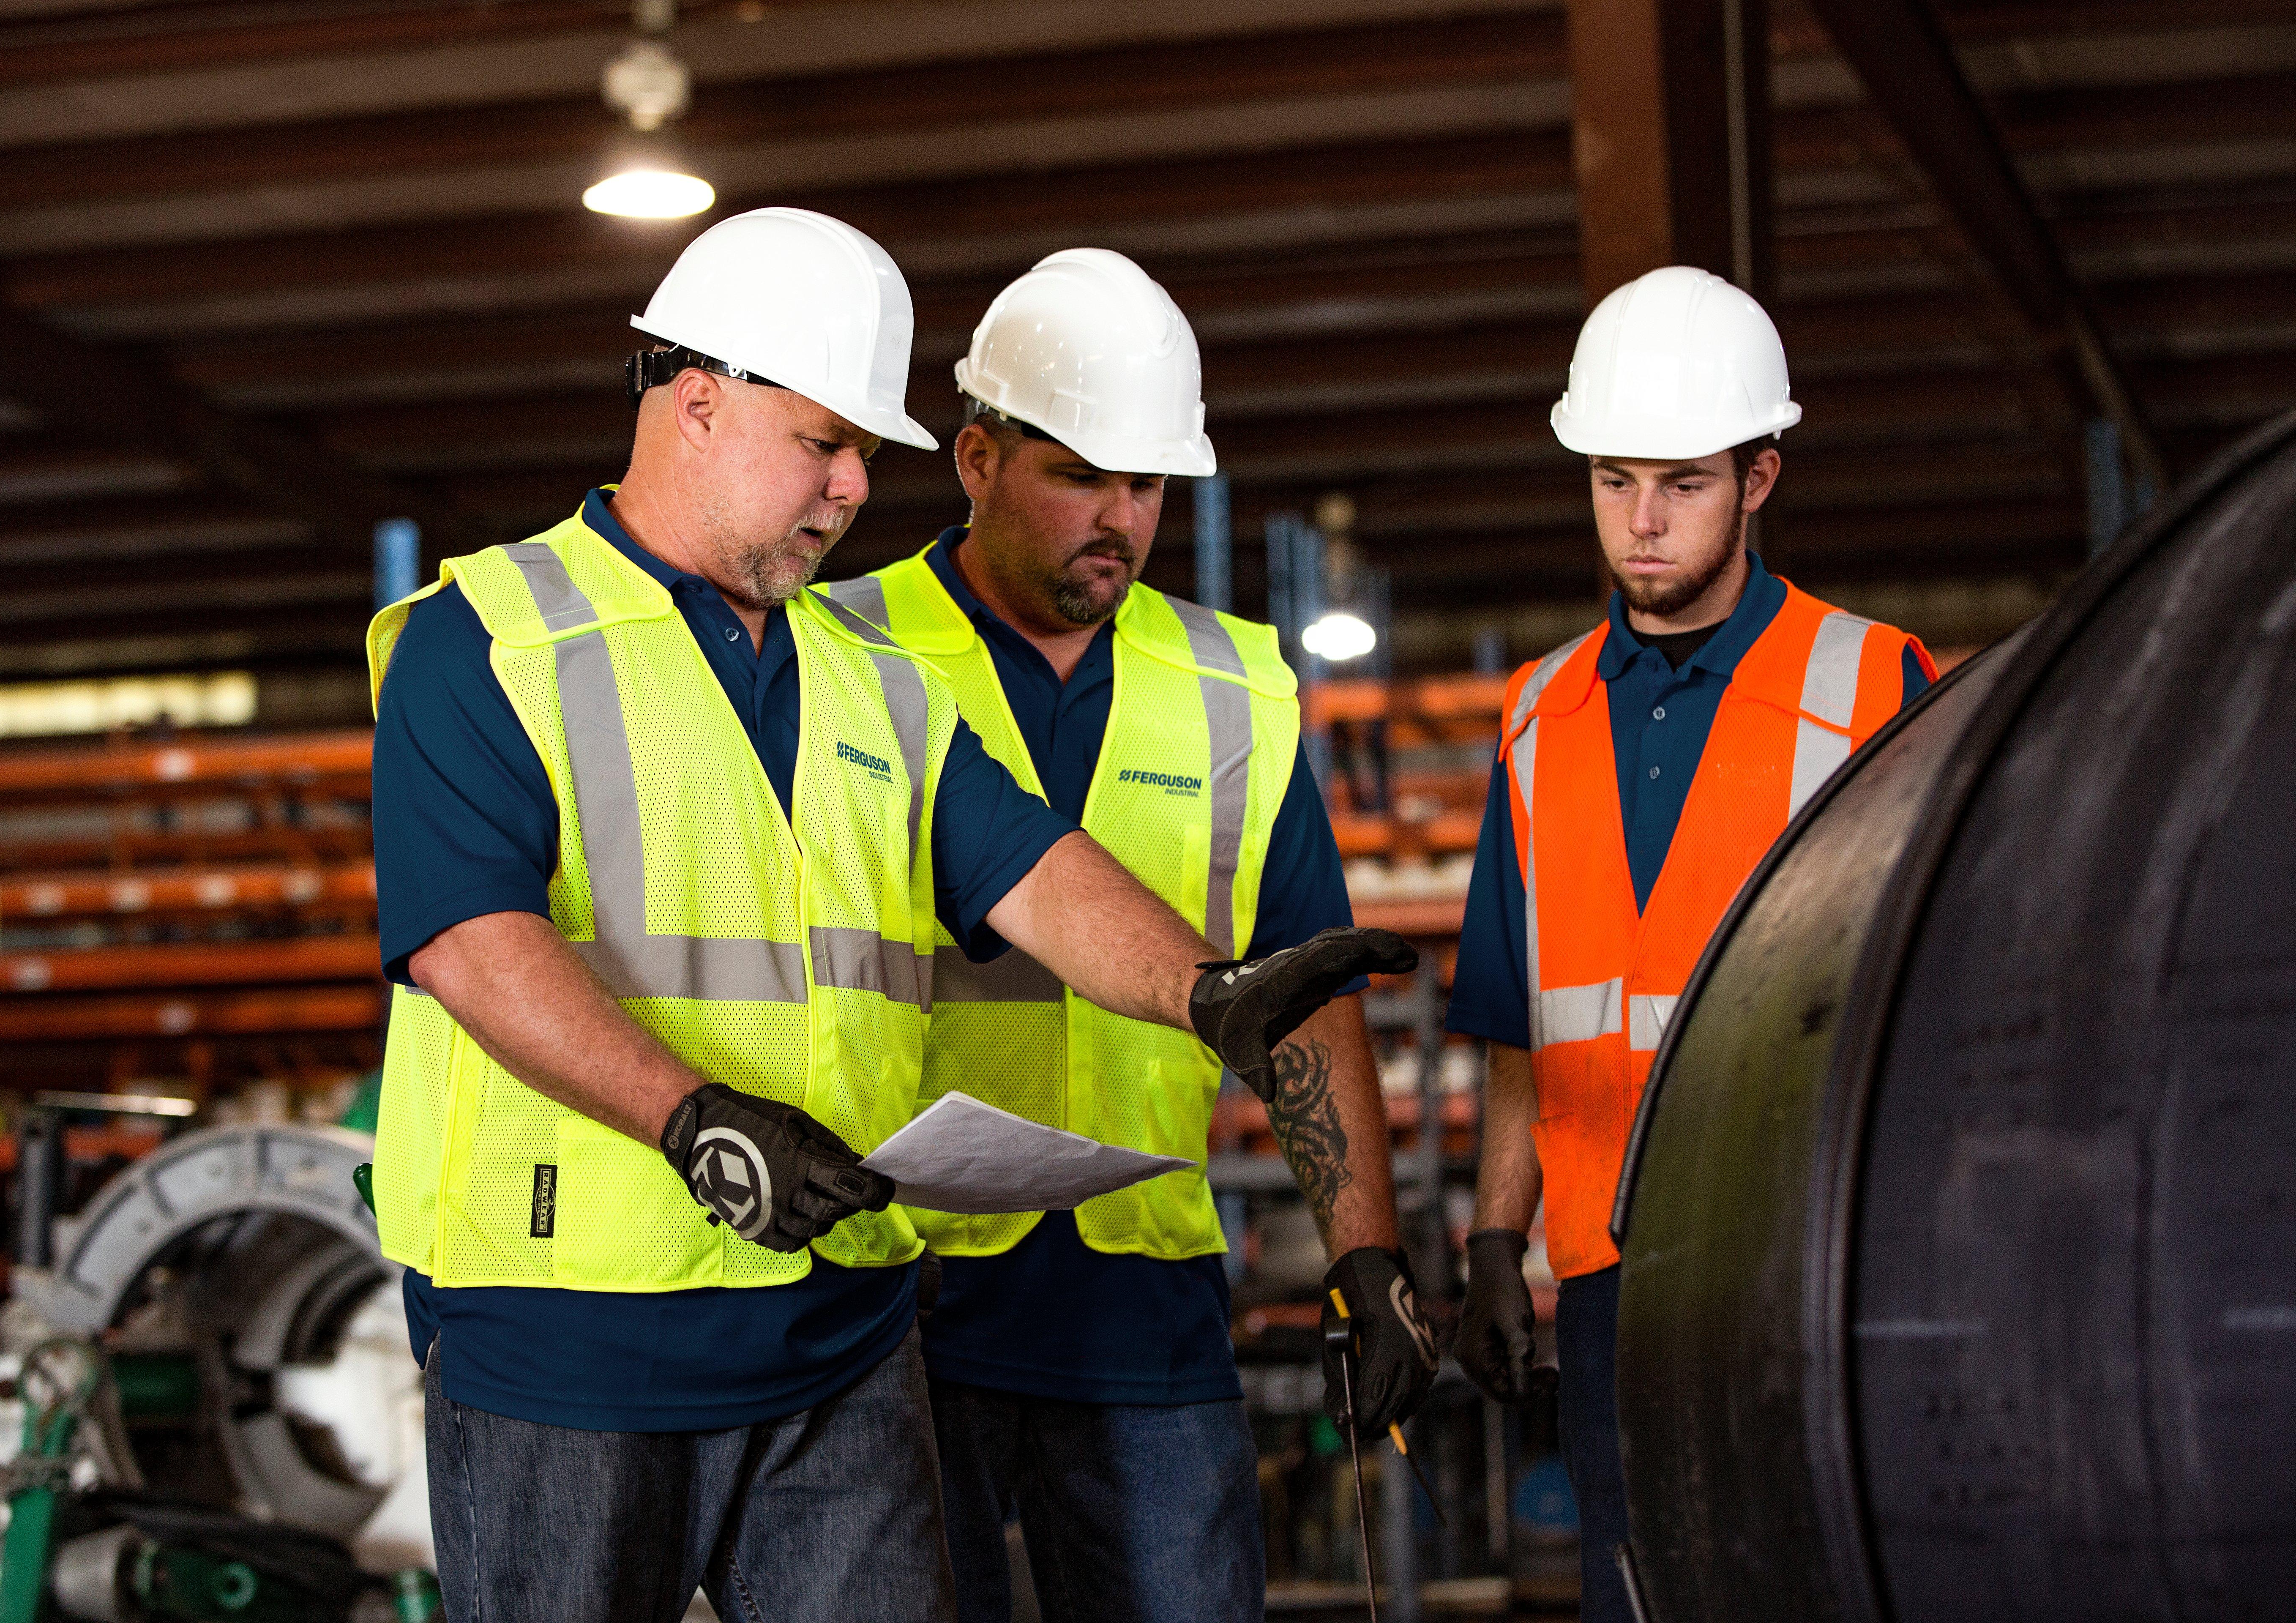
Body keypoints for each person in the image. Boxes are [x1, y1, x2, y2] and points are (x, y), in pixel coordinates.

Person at [364, 208, 1411, 1623]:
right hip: (577, 1338)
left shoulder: (872, 685)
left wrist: (1205, 992)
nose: (858, 487)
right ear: (697, 403)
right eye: (826, 444)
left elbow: (1035, 869)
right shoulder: (491, 638)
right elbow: (469, 942)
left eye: (868, 454)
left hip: (843, 1326)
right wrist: (693, 1118)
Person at [826, 248, 1436, 1623]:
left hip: (1140, 1286)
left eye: (1147, 486)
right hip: (898, 1290)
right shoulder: (834, 649)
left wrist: (1366, 1255)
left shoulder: (1233, 684)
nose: (1120, 518)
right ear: (974, 457)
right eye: (1078, 476)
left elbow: (1306, 983)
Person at [1446, 265, 1936, 1623]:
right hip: (1605, 1286)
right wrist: (1498, 1238)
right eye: (1613, 482)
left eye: (1684, 484)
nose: (1643, 524)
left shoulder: (1873, 688)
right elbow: (1518, 1017)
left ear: (1761, 478)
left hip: (1798, 1267)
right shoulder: (1538, 715)